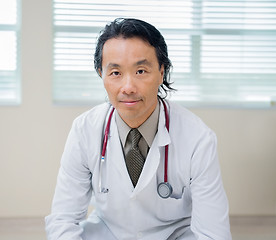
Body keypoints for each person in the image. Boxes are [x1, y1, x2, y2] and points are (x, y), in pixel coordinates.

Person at [45, 18, 232, 240]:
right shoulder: (84, 130)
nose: (128, 87)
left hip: (176, 234)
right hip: (108, 232)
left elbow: (213, 234)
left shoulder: (198, 138)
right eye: (115, 73)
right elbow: (63, 220)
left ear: (162, 72)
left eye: (141, 71)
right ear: (101, 74)